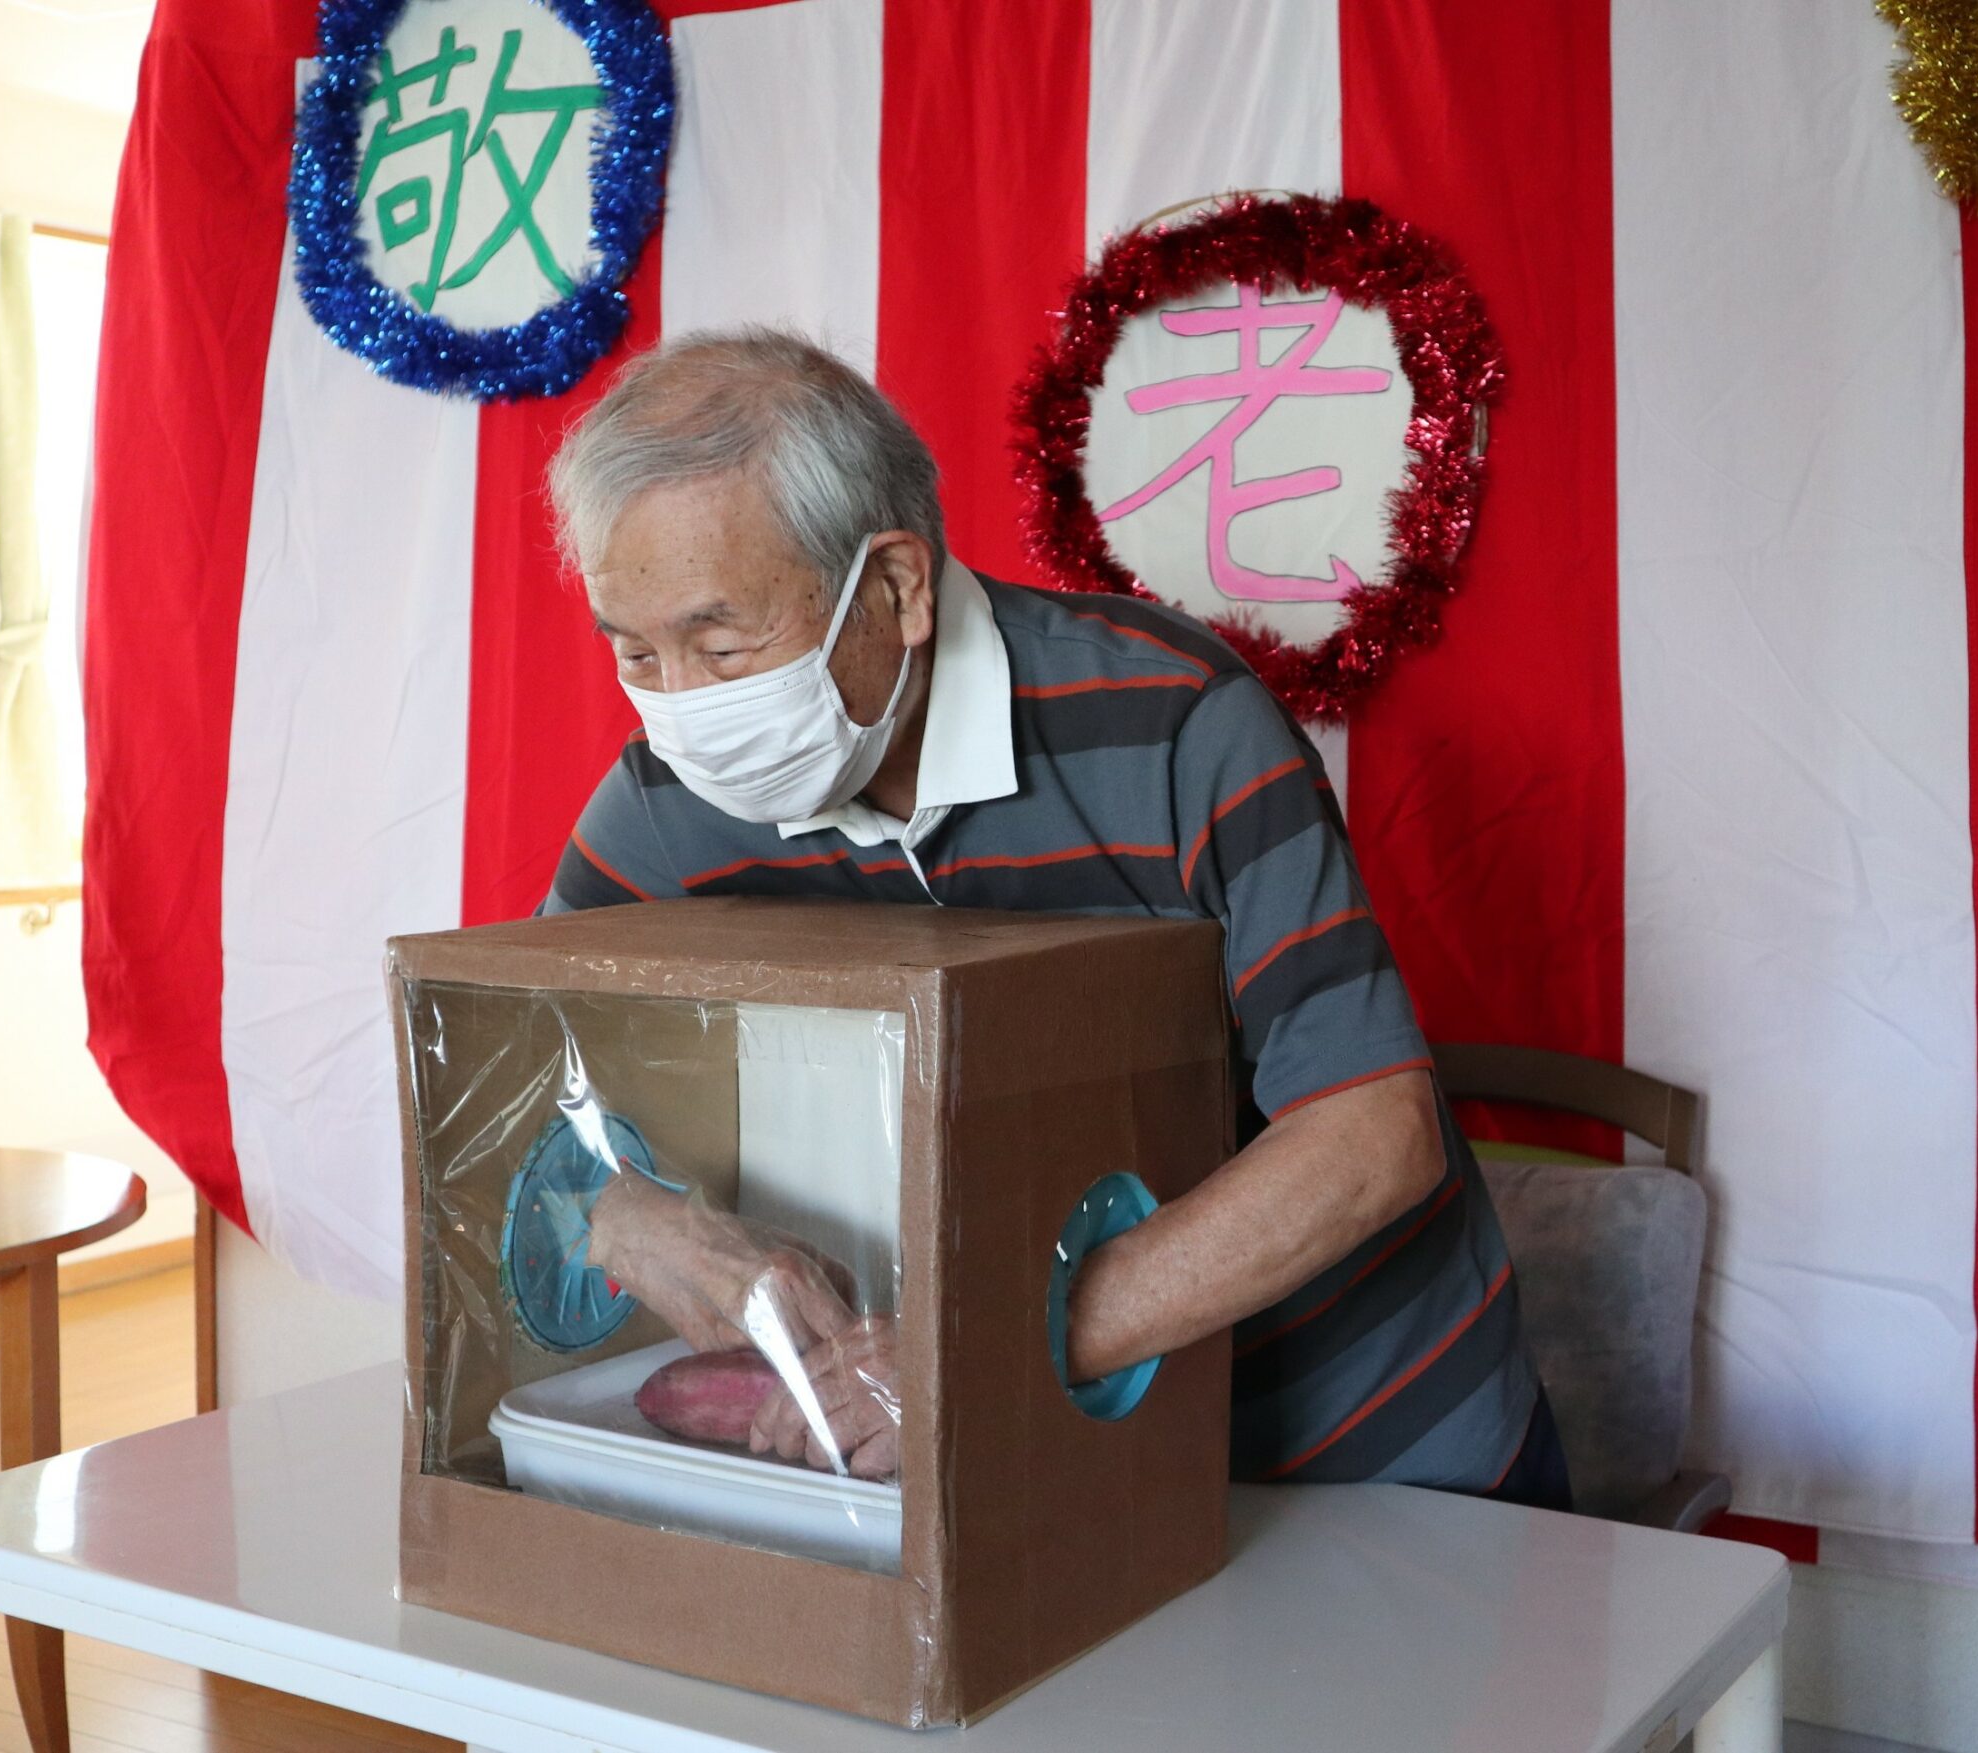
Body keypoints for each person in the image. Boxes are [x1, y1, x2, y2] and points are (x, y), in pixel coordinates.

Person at [544, 327, 1567, 1512]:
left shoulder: (1175, 723)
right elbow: (515, 1065)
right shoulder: (669, 799)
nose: (684, 708)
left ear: (896, 588)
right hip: (1031, 1476)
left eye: (723, 646)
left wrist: (987, 1345)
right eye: (638, 654)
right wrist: (635, 1213)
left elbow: (1370, 1131)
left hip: (1368, 1447)